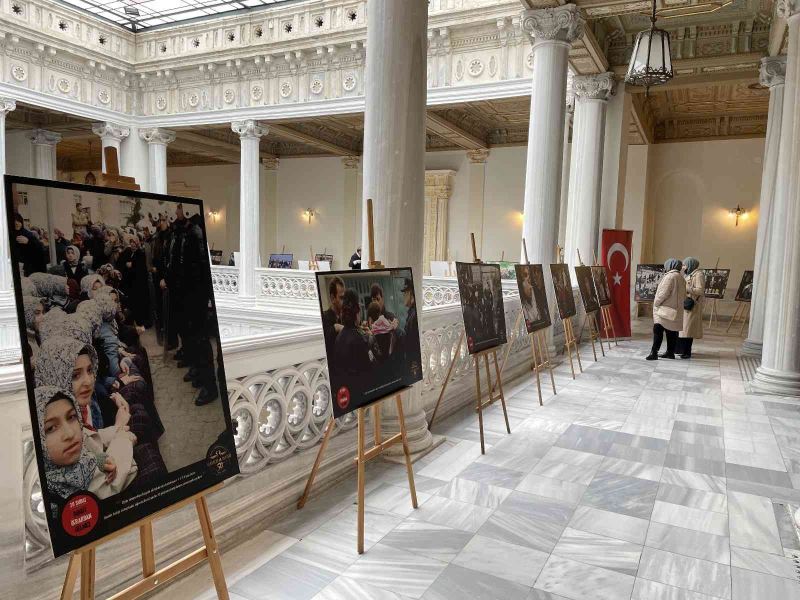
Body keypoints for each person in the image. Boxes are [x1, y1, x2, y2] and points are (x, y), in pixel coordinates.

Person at [647, 258, 686, 360]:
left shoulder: (670, 277)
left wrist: (656, 303)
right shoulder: (681, 277)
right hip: (674, 310)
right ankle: (670, 352)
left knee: (657, 330)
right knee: (671, 332)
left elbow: (663, 293)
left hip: (664, 309)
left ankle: (654, 352)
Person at [679, 257, 705, 359]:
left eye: (685, 265)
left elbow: (700, 290)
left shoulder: (698, 275)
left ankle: (687, 352)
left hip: (692, 305)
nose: (683, 267)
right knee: (684, 329)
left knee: (688, 330)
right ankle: (682, 350)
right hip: (685, 303)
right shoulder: (688, 274)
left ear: (690, 264)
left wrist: (686, 288)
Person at [322, 276, 345, 350]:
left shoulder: (344, 317)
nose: (344, 302)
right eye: (341, 298)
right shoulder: (324, 318)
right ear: (332, 298)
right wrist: (335, 328)